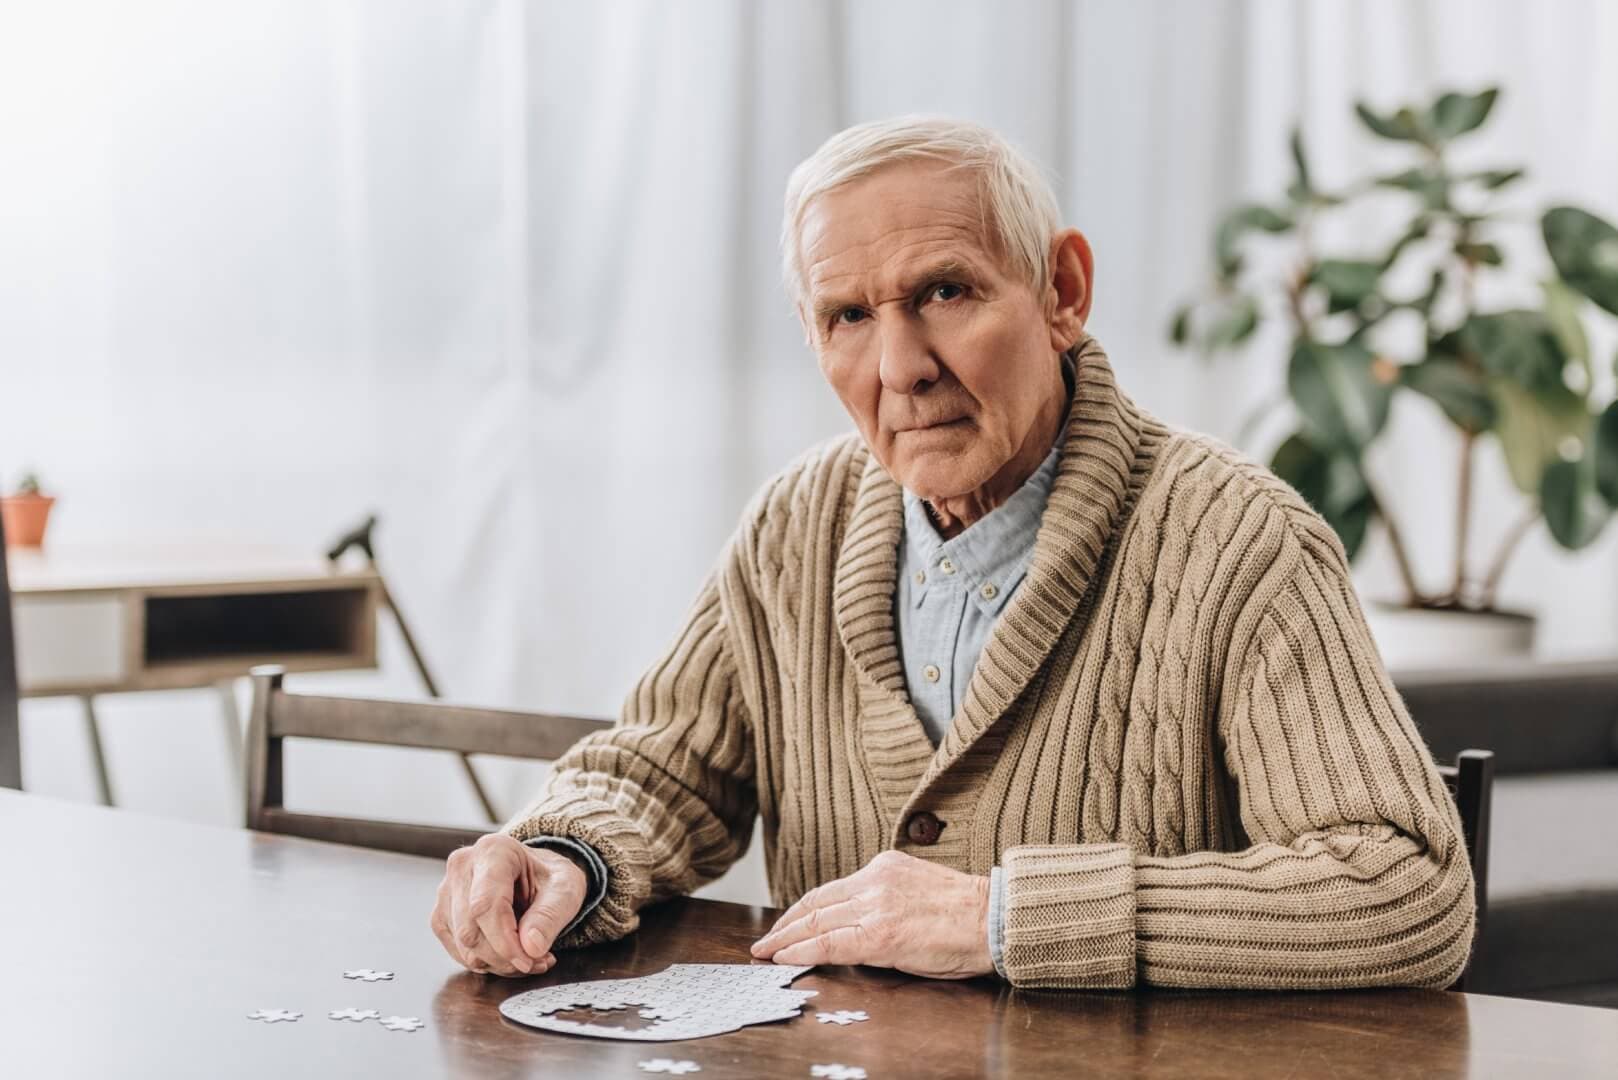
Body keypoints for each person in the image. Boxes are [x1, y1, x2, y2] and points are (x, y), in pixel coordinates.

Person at [430, 116, 1475, 990]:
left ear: (1062, 291)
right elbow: (666, 769)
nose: (900, 368)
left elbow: (1405, 887)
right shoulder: (796, 524)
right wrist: (562, 853)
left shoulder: (1241, 543)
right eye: (846, 316)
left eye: (944, 292)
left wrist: (1003, 917)